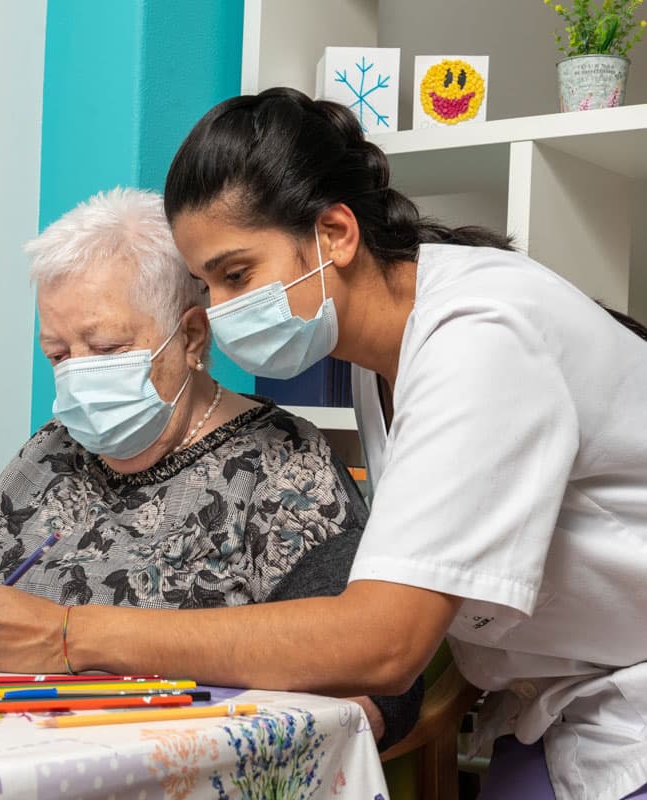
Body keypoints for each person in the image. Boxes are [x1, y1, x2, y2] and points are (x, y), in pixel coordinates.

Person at [158, 87, 647, 800]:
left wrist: (70, 636)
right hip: (562, 709)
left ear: (334, 235)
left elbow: (384, 640)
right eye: (206, 286)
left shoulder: (479, 337)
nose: (221, 314)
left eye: (237, 276)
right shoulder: (379, 353)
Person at [0, 187, 421, 749]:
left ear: (192, 336)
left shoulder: (284, 469)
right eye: (58, 354)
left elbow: (380, 685)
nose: (78, 375)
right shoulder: (52, 451)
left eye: (105, 347)